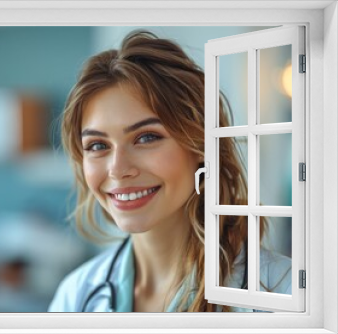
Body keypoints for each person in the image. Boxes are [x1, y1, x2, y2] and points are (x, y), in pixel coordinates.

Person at [48, 30, 291, 312]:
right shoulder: (75, 296)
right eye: (98, 144)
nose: (117, 169)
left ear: (200, 146)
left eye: (147, 137)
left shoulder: (282, 294)